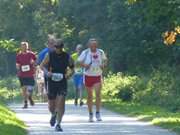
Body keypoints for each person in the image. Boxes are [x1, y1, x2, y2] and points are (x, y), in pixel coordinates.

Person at [40, 39, 74, 132]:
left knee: (61, 102)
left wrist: (68, 75)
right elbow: (42, 66)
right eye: (56, 47)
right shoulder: (49, 55)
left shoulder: (67, 56)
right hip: (52, 81)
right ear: (54, 47)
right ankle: (53, 114)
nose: (58, 48)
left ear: (62, 47)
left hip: (62, 81)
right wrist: (47, 73)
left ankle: (58, 124)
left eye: (59, 47)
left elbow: (72, 68)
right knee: (51, 105)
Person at [78, 38, 107, 122]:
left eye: (95, 44)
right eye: (92, 45)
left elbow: (105, 60)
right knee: (90, 96)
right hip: (88, 75)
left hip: (97, 75)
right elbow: (78, 62)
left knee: (98, 94)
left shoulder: (100, 52)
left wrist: (103, 65)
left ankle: (98, 113)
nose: (94, 46)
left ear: (97, 45)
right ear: (89, 45)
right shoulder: (85, 52)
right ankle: (91, 114)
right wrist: (85, 65)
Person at [16, 41, 36, 109]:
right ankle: (25, 103)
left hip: (30, 74)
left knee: (30, 89)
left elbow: (36, 62)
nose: (24, 48)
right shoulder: (19, 55)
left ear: (27, 47)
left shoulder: (31, 54)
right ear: (21, 47)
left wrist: (33, 63)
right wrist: (18, 68)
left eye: (25, 46)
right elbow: (17, 64)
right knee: (24, 89)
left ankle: (30, 97)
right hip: (22, 75)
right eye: (22, 47)